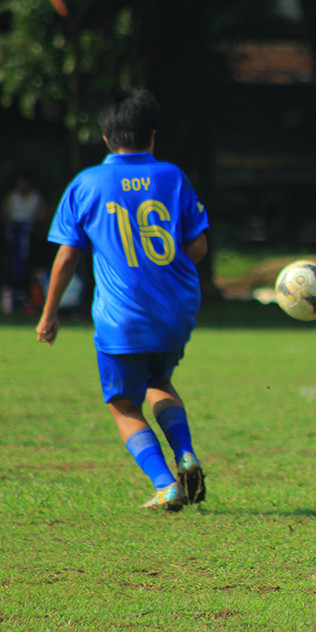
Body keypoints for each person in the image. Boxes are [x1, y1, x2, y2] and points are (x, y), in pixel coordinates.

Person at [35, 87, 209, 512]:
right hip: (175, 310)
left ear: (106, 137)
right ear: (153, 134)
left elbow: (67, 257)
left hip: (122, 319)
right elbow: (199, 247)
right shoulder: (172, 176)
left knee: (123, 403)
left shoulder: (87, 183)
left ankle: (166, 483)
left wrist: (49, 313)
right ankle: (185, 452)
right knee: (159, 381)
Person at [2, 171, 47, 311]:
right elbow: (4, 214)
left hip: (30, 235)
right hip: (14, 236)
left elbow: (41, 216)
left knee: (30, 266)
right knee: (12, 265)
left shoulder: (36, 197)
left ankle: (30, 298)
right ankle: (12, 298)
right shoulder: (12, 197)